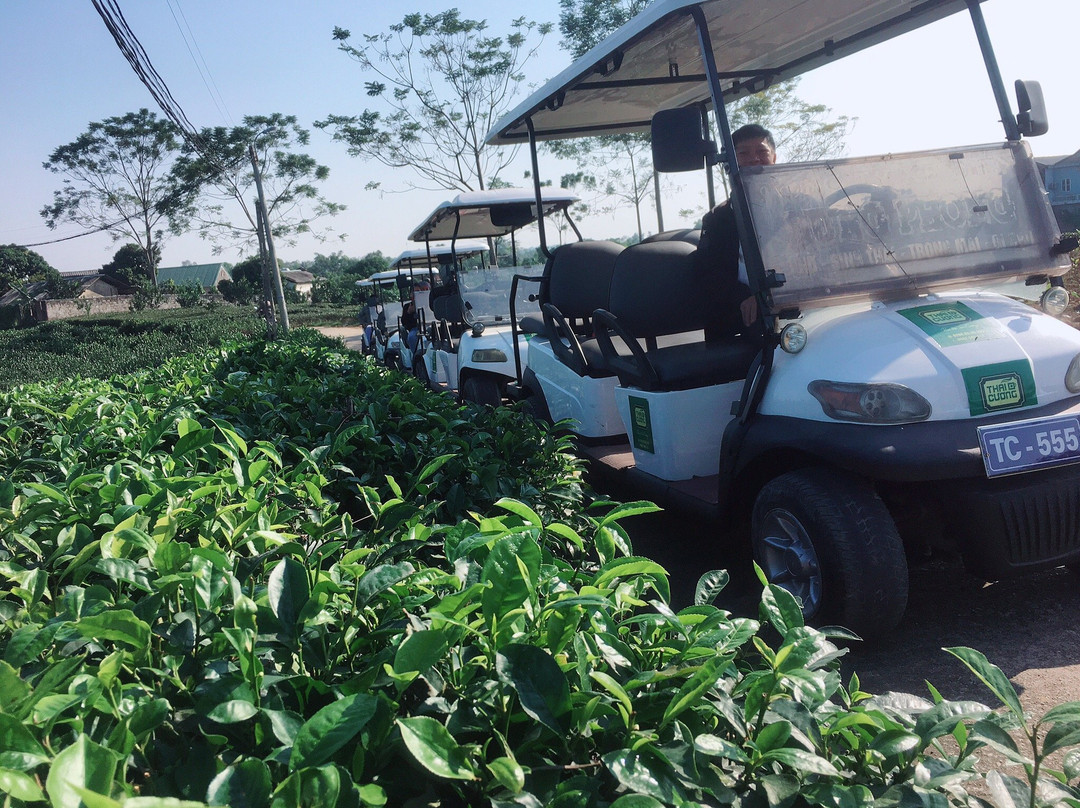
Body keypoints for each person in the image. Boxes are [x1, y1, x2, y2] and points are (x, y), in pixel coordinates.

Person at [695, 123, 777, 334]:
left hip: (802, 304)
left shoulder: (799, 206)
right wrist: (750, 298)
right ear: (730, 163)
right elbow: (709, 275)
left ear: (774, 158)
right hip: (744, 314)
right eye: (743, 153)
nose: (754, 159)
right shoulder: (717, 220)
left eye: (762, 152)